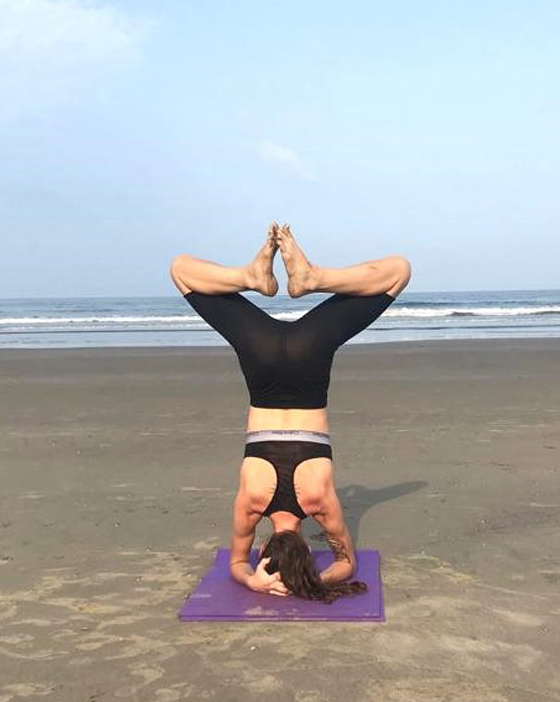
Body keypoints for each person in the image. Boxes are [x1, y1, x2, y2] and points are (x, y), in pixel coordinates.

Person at [169, 223, 411, 600]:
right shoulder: (251, 503)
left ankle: (307, 277)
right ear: (263, 551)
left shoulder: (320, 502)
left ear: (307, 553)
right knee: (181, 270)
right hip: (261, 359)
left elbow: (345, 565)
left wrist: (314, 579)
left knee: (398, 271)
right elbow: (236, 565)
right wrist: (253, 579)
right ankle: (262, 276)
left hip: (308, 359)